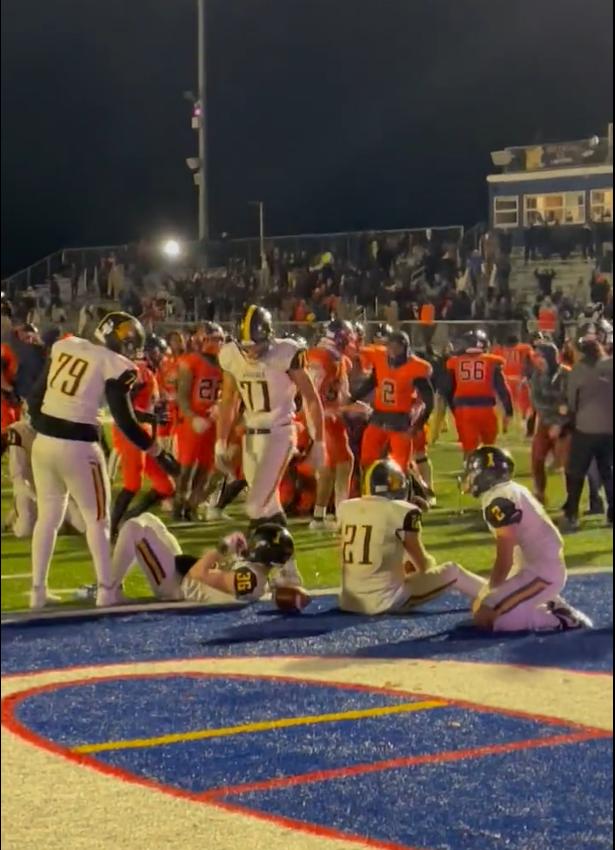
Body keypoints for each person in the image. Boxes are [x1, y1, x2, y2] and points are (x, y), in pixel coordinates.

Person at [27, 311, 178, 609]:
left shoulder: (66, 345)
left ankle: (38, 591)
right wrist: (159, 453)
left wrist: (48, 425)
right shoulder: (115, 363)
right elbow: (124, 421)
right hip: (80, 447)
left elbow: (35, 397)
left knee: (48, 518)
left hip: (44, 443)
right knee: (98, 521)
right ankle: (107, 591)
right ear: (124, 340)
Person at [216, 304, 325, 529]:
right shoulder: (230, 355)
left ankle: (247, 557)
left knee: (255, 506)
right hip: (251, 436)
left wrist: (319, 441)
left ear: (268, 336)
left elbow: (311, 397)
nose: (251, 351)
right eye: (245, 346)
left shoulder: (286, 353)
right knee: (270, 507)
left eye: (256, 345)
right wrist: (220, 441)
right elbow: (228, 402)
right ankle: (288, 564)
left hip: (280, 432)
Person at [462, 445, 592, 631]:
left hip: (541, 572)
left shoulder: (499, 500)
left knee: (491, 619)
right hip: (532, 568)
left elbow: (504, 557)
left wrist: (492, 591)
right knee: (481, 610)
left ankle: (560, 619)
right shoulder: (510, 490)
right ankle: (550, 603)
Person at [337, 458, 483, 615]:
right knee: (452, 572)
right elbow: (424, 565)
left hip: (349, 601)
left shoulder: (346, 508)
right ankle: (496, 596)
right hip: (383, 601)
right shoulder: (402, 511)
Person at [110, 517, 307, 608]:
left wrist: (223, 548)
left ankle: (110, 591)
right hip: (186, 576)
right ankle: (111, 584)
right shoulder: (257, 574)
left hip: (177, 586)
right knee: (149, 520)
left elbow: (197, 574)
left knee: (134, 528)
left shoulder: (248, 578)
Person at [110, 334, 175, 537]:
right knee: (132, 484)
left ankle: (127, 519)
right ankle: (110, 529)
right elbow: (126, 410)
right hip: (130, 430)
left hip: (143, 431)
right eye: (159, 352)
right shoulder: (139, 372)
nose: (162, 358)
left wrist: (156, 415)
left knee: (166, 486)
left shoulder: (148, 373)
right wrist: (153, 417)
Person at [350, 331, 434, 474]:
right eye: (391, 346)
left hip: (400, 419)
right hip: (379, 415)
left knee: (401, 466)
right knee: (366, 460)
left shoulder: (415, 367)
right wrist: (353, 397)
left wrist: (420, 422)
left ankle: (404, 493)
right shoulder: (380, 358)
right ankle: (367, 491)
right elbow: (373, 382)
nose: (394, 350)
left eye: (398, 347)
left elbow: (429, 399)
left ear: (406, 349)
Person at [561, 329, 613, 532]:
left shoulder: (579, 370)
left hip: (585, 427)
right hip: (609, 429)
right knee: (608, 472)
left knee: (577, 472)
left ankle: (572, 514)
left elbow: (572, 400)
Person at [173, 322, 225, 519]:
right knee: (186, 468)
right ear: (202, 340)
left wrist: (219, 407)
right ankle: (179, 507)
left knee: (205, 469)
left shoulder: (223, 364)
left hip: (212, 421)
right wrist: (193, 417)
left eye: (221, 340)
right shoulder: (191, 361)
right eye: (215, 340)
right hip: (192, 422)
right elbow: (183, 395)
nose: (219, 344)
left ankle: (191, 507)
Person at [307, 319, 354, 530]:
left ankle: (333, 514)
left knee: (344, 462)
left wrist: (354, 407)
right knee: (330, 467)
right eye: (348, 338)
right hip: (321, 416)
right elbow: (310, 394)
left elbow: (342, 396)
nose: (351, 342)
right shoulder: (320, 356)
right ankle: (323, 517)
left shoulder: (339, 359)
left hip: (332, 416)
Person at [1, 418, 85, 537]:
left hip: (52, 480)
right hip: (30, 483)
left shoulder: (60, 430)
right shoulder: (18, 433)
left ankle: (59, 520)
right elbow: (20, 479)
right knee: (24, 530)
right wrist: (37, 498)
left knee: (83, 524)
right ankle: (15, 517)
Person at [442, 330, 513, 462]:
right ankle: (488, 472)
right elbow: (502, 389)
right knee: (489, 446)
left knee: (469, 448)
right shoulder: (492, 361)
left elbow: (447, 389)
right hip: (486, 408)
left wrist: (454, 409)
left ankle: (470, 473)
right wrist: (508, 411)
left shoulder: (455, 361)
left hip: (464, 409)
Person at [529, 342, 571, 506]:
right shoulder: (536, 375)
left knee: (566, 464)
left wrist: (559, 422)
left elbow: (570, 402)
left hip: (566, 425)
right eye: (536, 356)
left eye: (540, 356)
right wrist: (556, 411)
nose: (537, 360)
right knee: (537, 457)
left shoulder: (565, 374)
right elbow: (537, 401)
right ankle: (539, 494)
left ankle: (571, 498)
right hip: (546, 421)